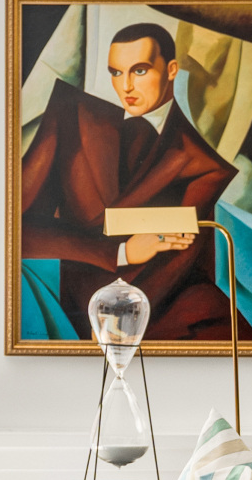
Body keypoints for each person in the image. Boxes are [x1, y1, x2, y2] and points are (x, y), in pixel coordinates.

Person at [19, 17, 237, 339]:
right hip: (74, 311)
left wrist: (120, 314)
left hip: (158, 314)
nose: (126, 86)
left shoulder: (203, 165)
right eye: (116, 73)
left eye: (139, 70)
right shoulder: (71, 116)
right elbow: (18, 229)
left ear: (172, 70)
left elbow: (178, 264)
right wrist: (121, 252)